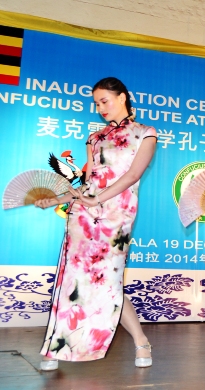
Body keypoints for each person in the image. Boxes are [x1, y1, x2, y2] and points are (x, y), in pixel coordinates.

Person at [35, 77, 157, 370]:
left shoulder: (145, 134)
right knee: (73, 281)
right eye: (96, 103)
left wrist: (98, 198)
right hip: (83, 215)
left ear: (123, 97)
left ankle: (141, 341)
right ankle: (58, 349)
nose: (100, 107)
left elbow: (131, 177)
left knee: (109, 282)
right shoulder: (95, 138)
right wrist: (55, 200)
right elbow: (87, 182)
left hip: (116, 217)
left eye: (105, 100)